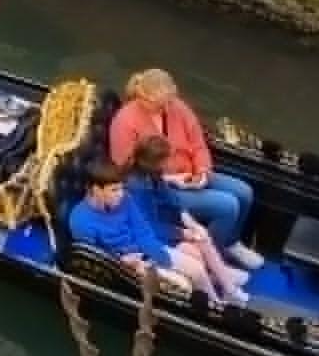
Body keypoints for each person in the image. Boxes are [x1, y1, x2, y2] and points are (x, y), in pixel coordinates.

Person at [108, 68, 262, 270]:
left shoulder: (177, 107)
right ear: (143, 98)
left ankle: (230, 243)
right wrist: (171, 179)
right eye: (161, 104)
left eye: (169, 102)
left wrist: (202, 172)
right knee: (228, 205)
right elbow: (128, 171)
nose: (167, 108)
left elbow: (198, 144)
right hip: (159, 188)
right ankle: (211, 258)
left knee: (244, 192)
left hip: (191, 173)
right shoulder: (124, 122)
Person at [67, 163, 247, 305]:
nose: (121, 195)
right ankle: (212, 304)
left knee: (197, 269)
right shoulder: (81, 221)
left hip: (148, 250)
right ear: (97, 190)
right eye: (114, 190)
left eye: (121, 188)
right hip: (124, 268)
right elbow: (96, 260)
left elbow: (142, 230)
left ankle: (215, 304)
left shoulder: (125, 199)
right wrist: (124, 261)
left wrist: (159, 256)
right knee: (183, 285)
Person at [124, 135, 251, 304]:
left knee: (202, 236)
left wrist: (188, 219)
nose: (171, 162)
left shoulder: (153, 174)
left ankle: (228, 287)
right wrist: (183, 233)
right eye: (167, 159)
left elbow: (169, 197)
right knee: (196, 249)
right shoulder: (136, 187)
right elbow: (149, 226)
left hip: (163, 227)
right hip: (152, 237)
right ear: (154, 162)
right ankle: (215, 297)